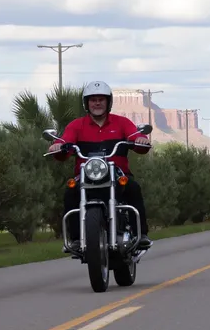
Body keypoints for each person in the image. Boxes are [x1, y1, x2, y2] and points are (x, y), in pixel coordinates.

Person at [47, 81, 153, 251]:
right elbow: (64, 145)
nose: (97, 103)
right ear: (87, 103)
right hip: (85, 176)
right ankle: (75, 239)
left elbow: (137, 138)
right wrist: (57, 146)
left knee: (133, 188)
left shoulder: (122, 123)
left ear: (108, 102)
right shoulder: (76, 125)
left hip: (117, 174)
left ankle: (141, 235)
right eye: (93, 100)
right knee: (70, 192)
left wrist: (141, 140)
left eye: (101, 99)